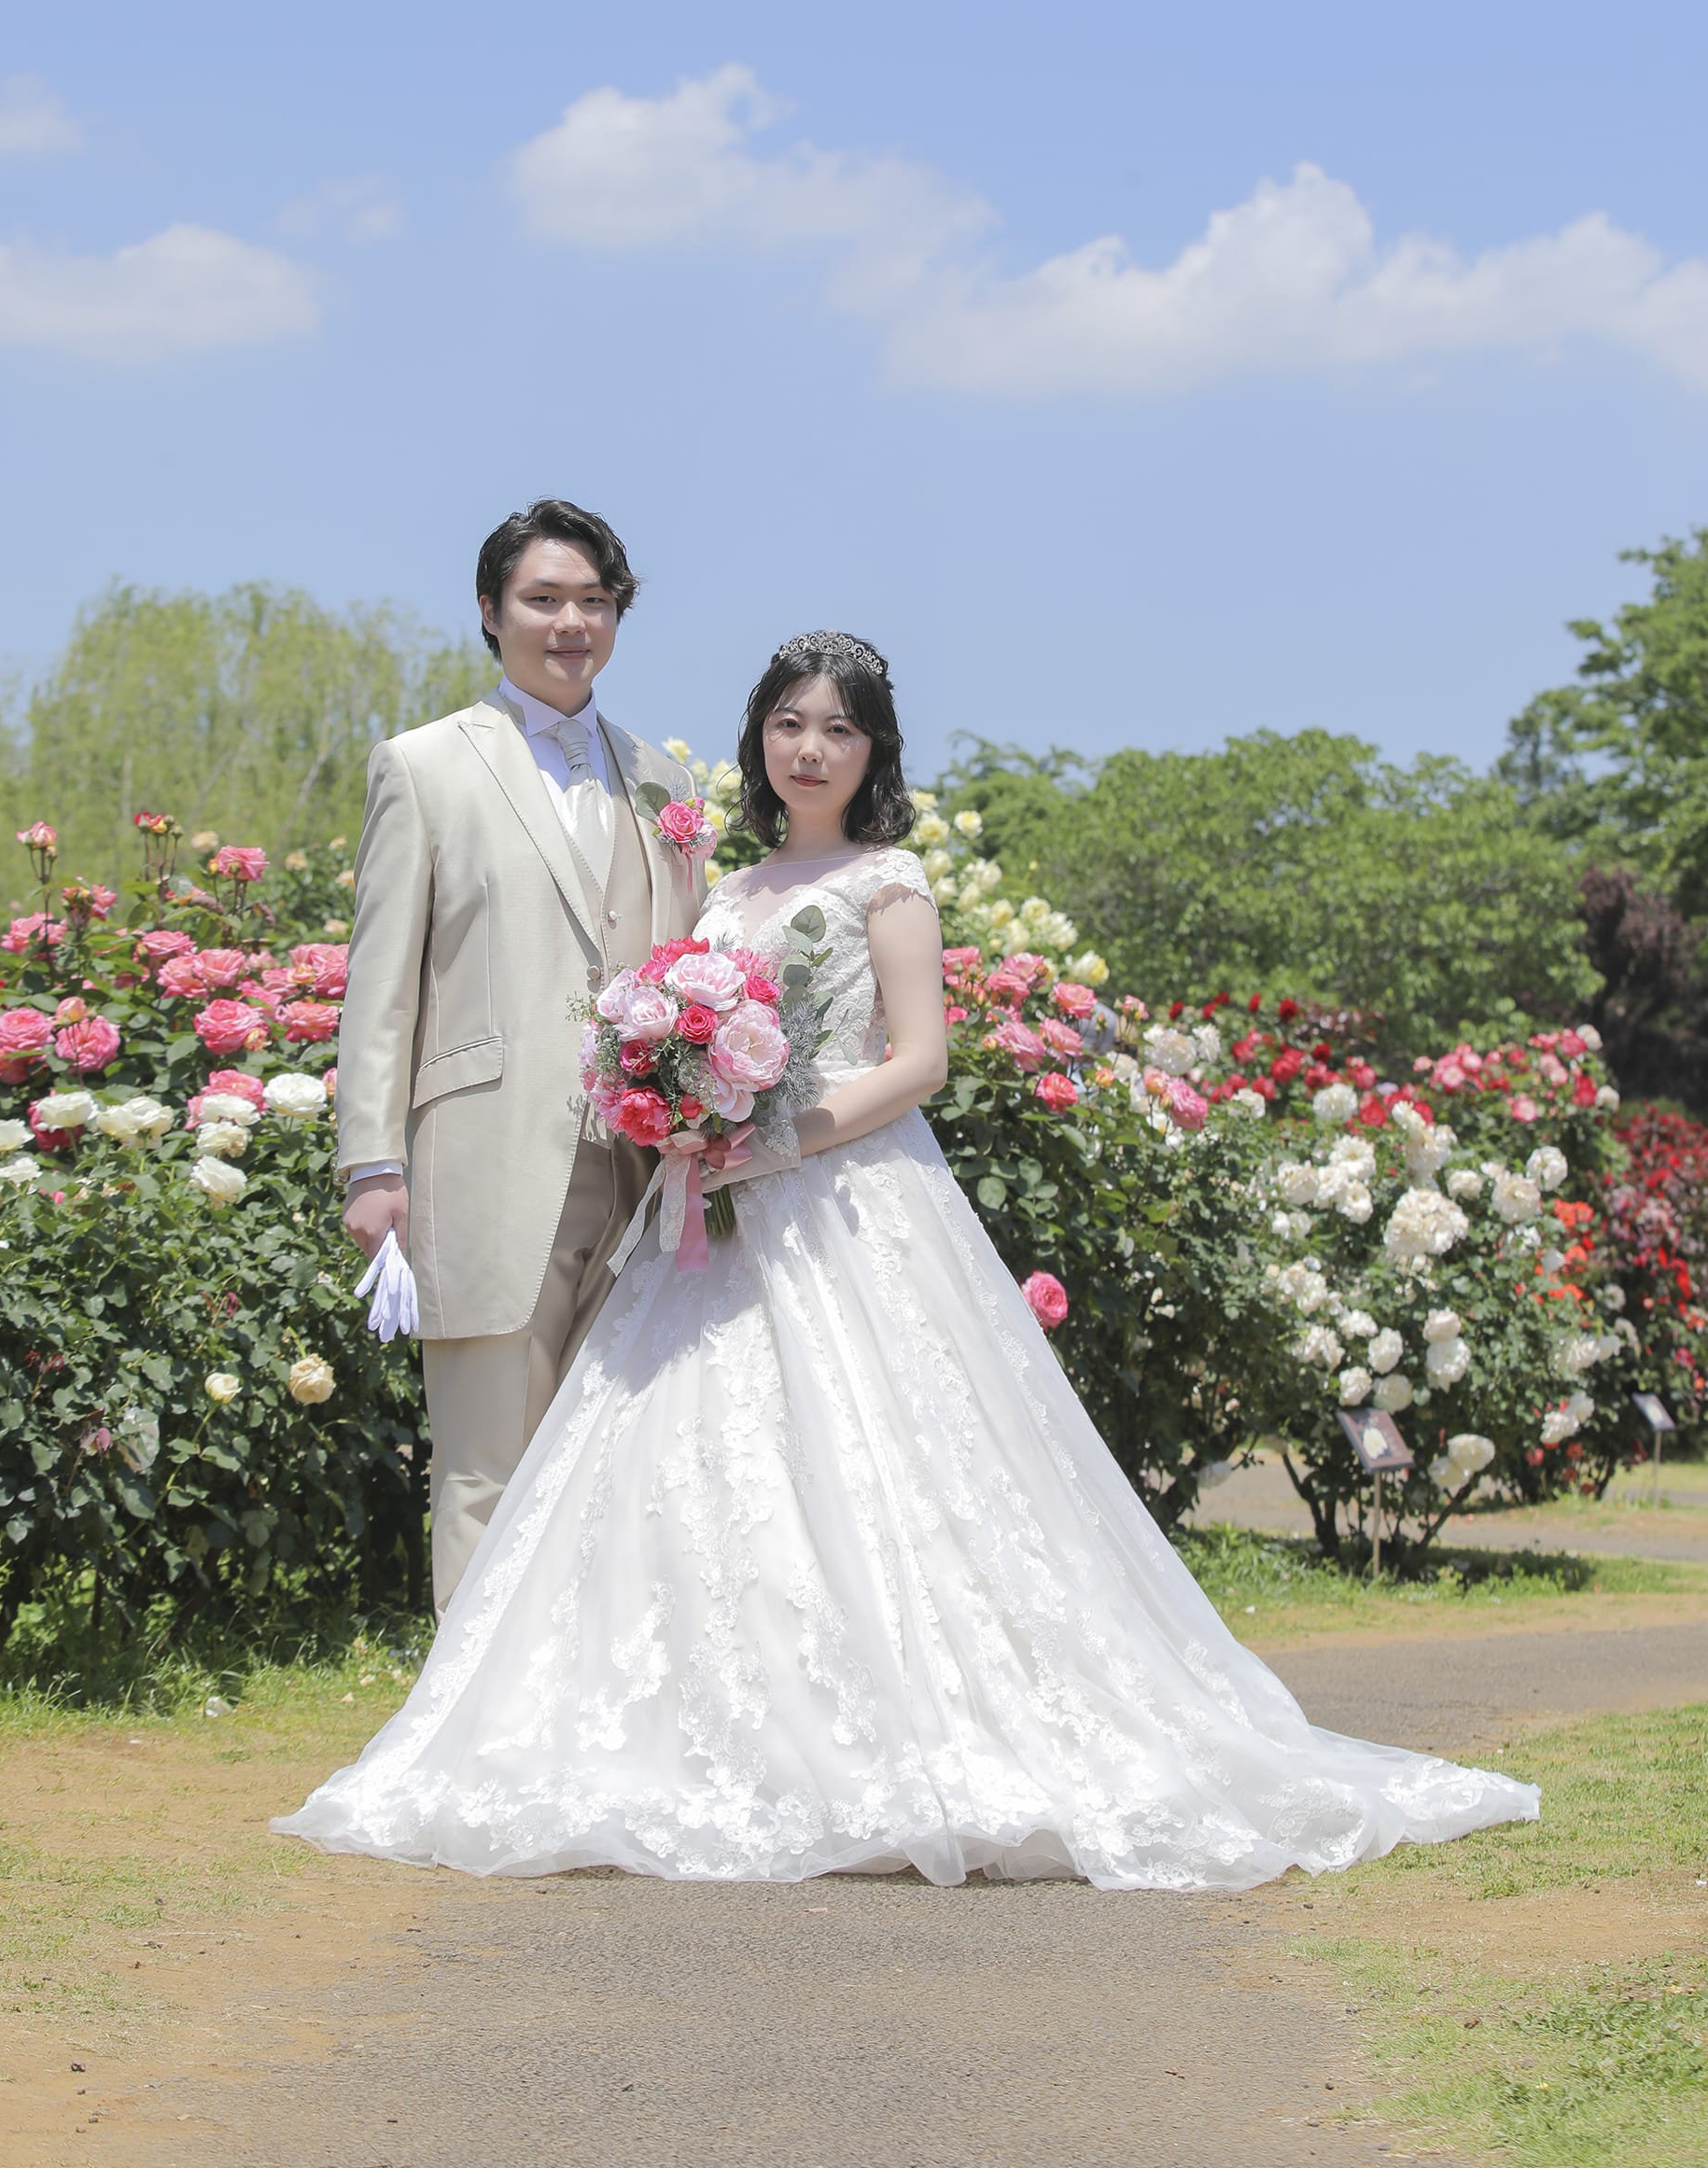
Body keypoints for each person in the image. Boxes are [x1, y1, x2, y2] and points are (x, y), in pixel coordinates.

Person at [282, 631, 1536, 1888]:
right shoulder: (723, 886)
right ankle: (701, 1734)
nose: (810, 748)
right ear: (758, 739)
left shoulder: (888, 881)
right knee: (690, 1473)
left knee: (875, 1463)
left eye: (838, 729)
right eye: (789, 724)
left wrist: (773, 1139)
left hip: (845, 1203)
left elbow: (919, 1060)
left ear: (872, 751)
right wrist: (681, 1114)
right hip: (708, 1221)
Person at [336, 497, 703, 1615]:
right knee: (488, 1469)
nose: (570, 622)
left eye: (594, 601)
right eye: (542, 599)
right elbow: (380, 983)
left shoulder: (666, 783)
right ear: (491, 612)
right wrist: (370, 1163)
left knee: (617, 1468)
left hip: (644, 1171)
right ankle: (466, 1715)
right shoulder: (423, 767)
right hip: (485, 1159)